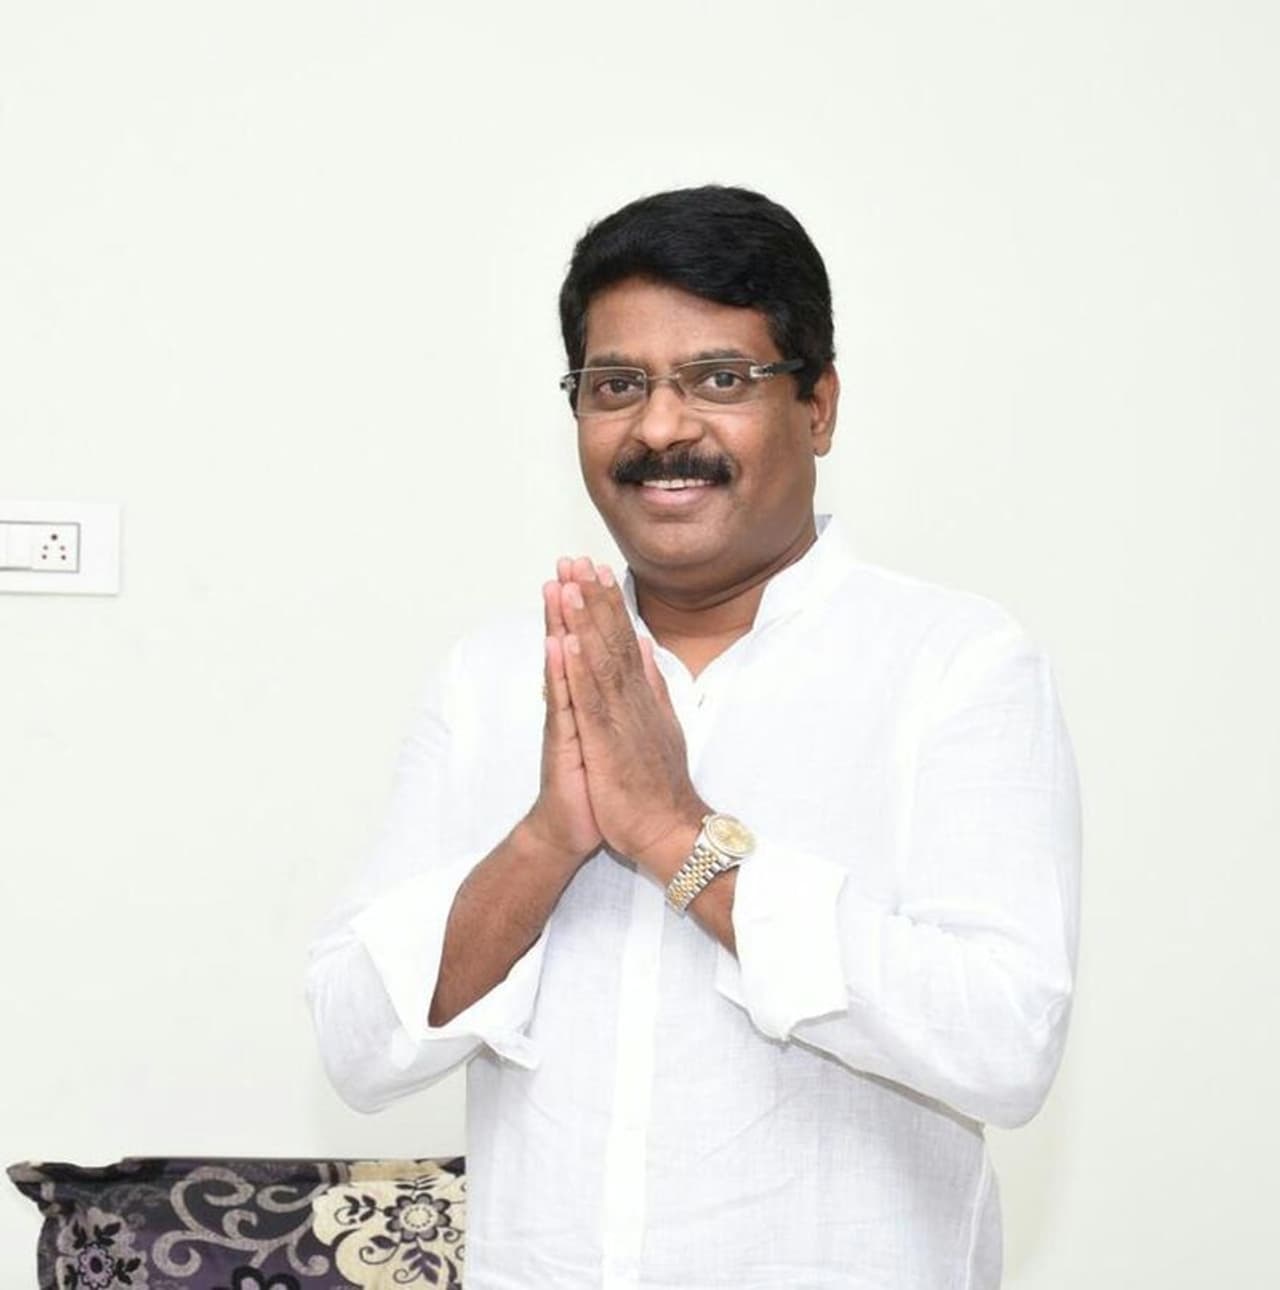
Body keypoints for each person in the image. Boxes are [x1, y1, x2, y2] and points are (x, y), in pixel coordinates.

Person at [305, 184, 1082, 1289]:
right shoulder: (492, 676)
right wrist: (544, 842)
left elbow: (1003, 1046)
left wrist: (678, 837)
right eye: (616, 386)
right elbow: (357, 1045)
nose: (661, 429)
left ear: (817, 406)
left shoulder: (952, 665)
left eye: (719, 379)